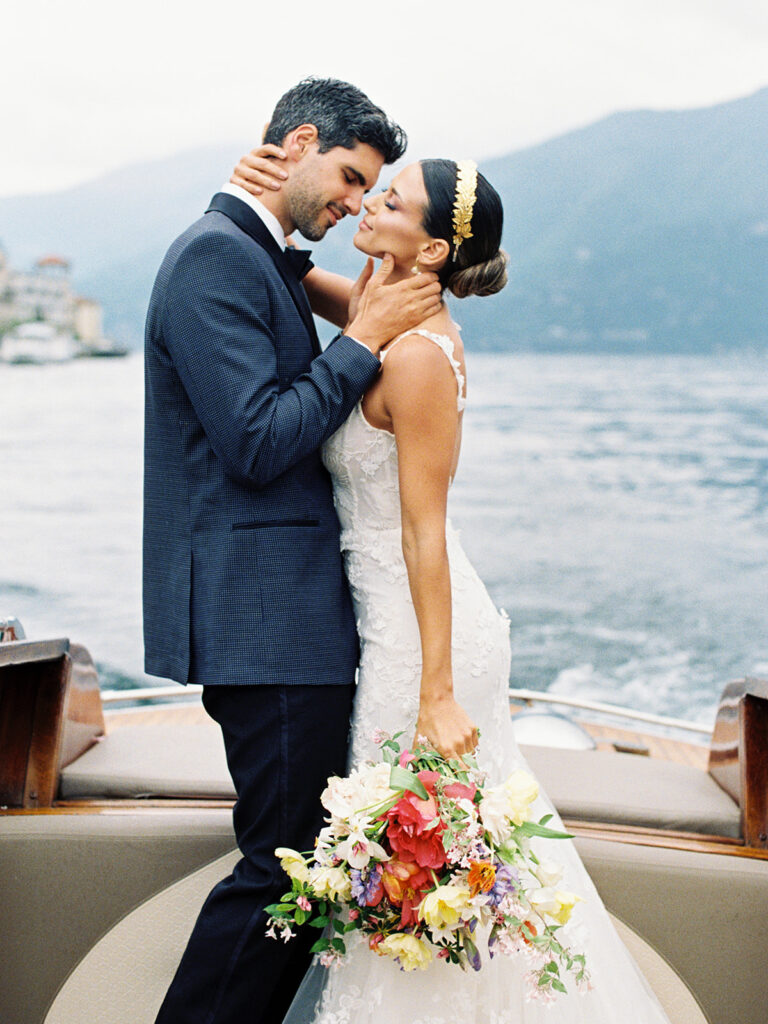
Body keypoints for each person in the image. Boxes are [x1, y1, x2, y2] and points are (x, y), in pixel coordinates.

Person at [228, 150, 674, 1023]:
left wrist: (434, 691)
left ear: (431, 252)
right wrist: (259, 203)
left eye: (390, 200)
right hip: (395, 624)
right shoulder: (384, 313)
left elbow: (423, 532)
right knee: (409, 876)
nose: (371, 202)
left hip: (422, 639)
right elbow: (302, 278)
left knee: (420, 874)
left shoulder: (421, 359)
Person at [143, 77, 443, 1024]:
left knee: (303, 858)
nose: (355, 202)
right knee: (289, 862)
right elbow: (261, 440)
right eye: (351, 178)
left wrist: (361, 319)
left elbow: (333, 307)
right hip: (263, 619)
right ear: (302, 140)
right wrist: (360, 339)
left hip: (291, 616)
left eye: (370, 191)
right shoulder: (212, 259)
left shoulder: (258, 251)